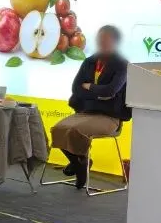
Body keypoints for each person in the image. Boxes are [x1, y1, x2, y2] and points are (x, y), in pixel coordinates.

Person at [51, 25, 131, 189]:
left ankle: (79, 163)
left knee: (75, 131)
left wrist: (89, 87)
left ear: (115, 43)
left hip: (109, 116)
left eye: (106, 40)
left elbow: (111, 90)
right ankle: (80, 162)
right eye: (100, 39)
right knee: (58, 129)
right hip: (85, 111)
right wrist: (99, 94)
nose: (102, 43)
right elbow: (76, 88)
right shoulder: (89, 61)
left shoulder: (122, 64)